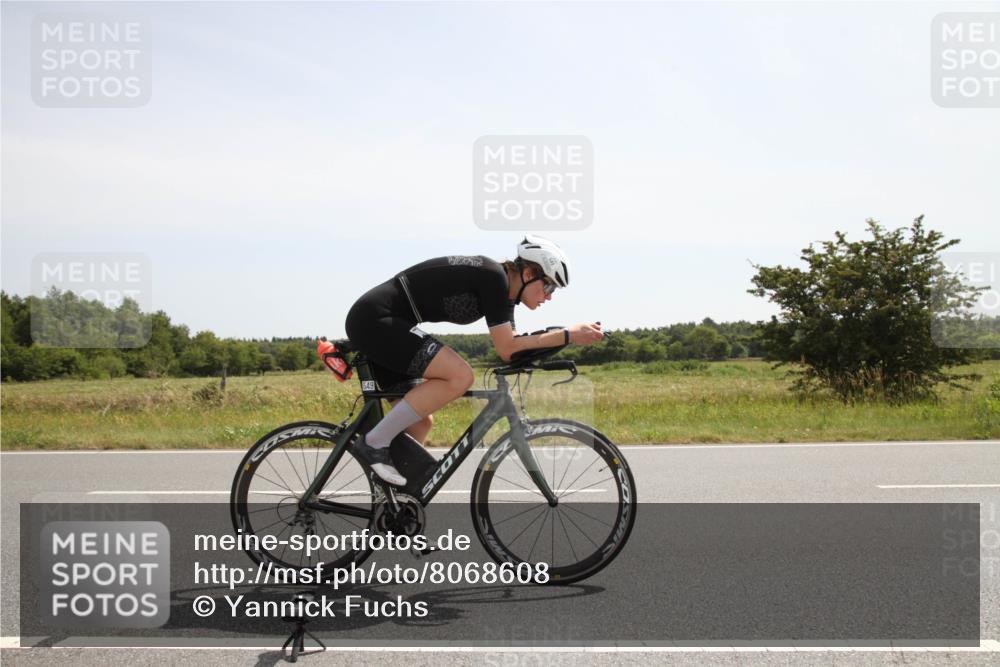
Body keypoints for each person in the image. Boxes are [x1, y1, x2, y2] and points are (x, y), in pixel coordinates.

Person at [344, 235, 604, 486]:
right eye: (548, 286)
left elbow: (512, 349)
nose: (549, 296)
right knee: (460, 375)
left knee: (421, 422)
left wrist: (564, 340)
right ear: (527, 274)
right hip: (376, 319)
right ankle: (374, 443)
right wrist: (568, 335)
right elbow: (507, 347)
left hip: (387, 324)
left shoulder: (504, 294)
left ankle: (395, 504)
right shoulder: (493, 277)